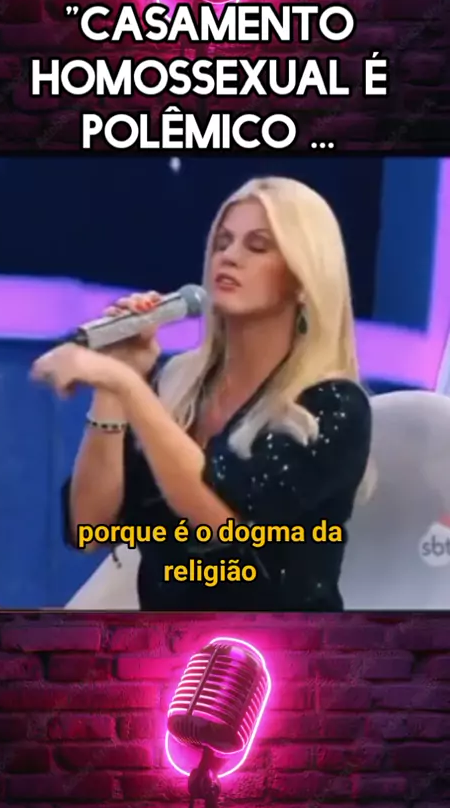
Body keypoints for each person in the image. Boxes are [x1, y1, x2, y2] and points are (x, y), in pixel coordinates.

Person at [31, 176, 373, 611]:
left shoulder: (333, 405)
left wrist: (128, 387)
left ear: (304, 281)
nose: (229, 256)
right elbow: (89, 526)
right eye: (222, 242)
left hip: (277, 646)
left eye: (258, 246)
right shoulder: (176, 385)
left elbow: (223, 526)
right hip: (162, 644)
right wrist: (116, 379)